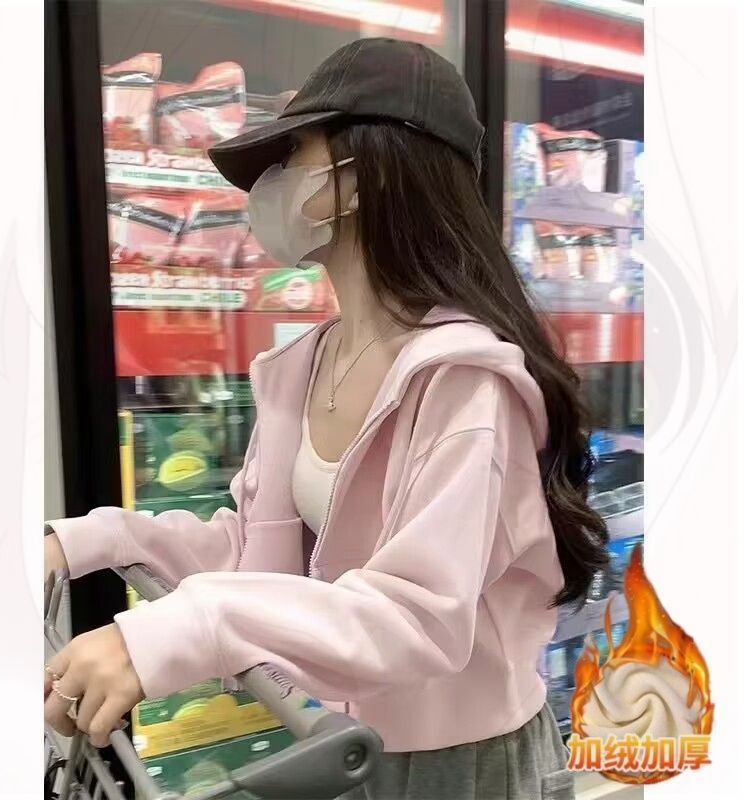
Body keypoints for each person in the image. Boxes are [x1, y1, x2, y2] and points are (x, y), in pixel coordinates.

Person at [44, 38, 607, 800]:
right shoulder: (306, 363)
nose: (270, 184)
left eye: (291, 155)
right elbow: (251, 549)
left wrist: (189, 628)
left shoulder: (468, 383)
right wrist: (91, 540)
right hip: (342, 741)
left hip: (459, 763)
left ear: (364, 176)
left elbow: (418, 616)